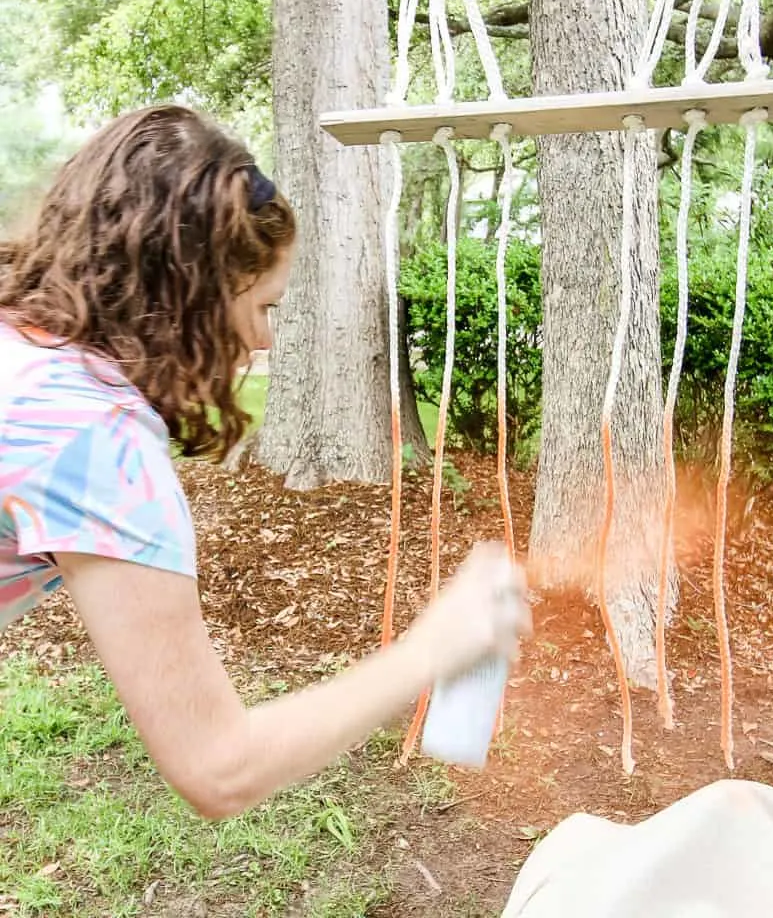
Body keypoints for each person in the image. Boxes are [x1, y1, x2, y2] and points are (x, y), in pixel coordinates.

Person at [0, 104, 530, 820]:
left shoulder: (21, 345)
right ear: (193, 294)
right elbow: (220, 767)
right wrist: (432, 647)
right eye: (265, 307)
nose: (267, 339)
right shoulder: (93, 443)